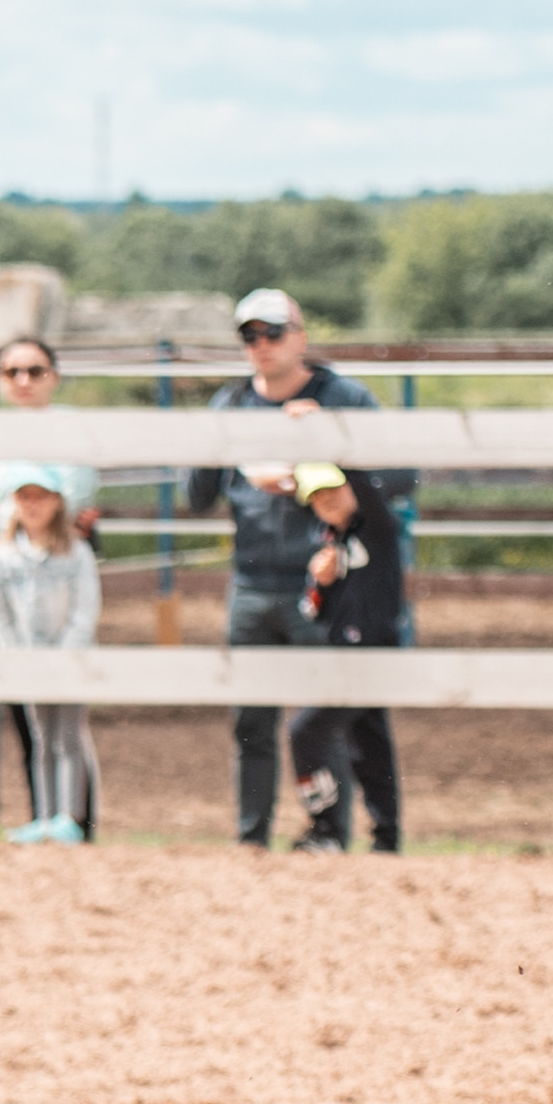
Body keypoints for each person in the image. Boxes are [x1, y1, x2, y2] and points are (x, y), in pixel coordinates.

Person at [185, 288, 411, 850]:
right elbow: (196, 493)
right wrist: (226, 449)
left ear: (300, 337)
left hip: (326, 585)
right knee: (252, 723)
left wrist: (324, 449)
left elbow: (399, 476)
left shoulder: (344, 398)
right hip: (252, 582)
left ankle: (334, 833)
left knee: (336, 721)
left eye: (273, 333)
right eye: (249, 336)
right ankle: (251, 838)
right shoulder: (230, 404)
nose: (261, 346)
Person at [0, 337, 100, 832]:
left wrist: (1, 513)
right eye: (13, 371)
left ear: (53, 375)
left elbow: (75, 510)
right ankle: (44, 820)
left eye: (35, 370)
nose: (24, 381)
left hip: (58, 603)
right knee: (29, 725)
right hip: (3, 603)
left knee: (69, 728)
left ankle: (77, 821)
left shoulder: (72, 435)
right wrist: (10, 521)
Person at [286, 461, 403, 855]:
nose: (327, 502)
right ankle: (385, 837)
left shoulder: (379, 530)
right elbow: (312, 610)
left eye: (333, 491)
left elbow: (361, 479)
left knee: (305, 731)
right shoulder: (327, 543)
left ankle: (327, 828)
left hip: (372, 656)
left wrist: (325, 432)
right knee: (370, 746)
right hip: (346, 656)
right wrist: (321, 584)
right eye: (317, 497)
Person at [0, 469, 100, 846]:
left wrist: (65, 656)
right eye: (24, 498)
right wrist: (17, 656)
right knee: (41, 737)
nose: (33, 506)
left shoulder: (76, 552)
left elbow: (85, 609)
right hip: (25, 662)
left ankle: (69, 817)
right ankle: (45, 817)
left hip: (68, 660)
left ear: (57, 502)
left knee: (68, 736)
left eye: (41, 497)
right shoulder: (4, 554)